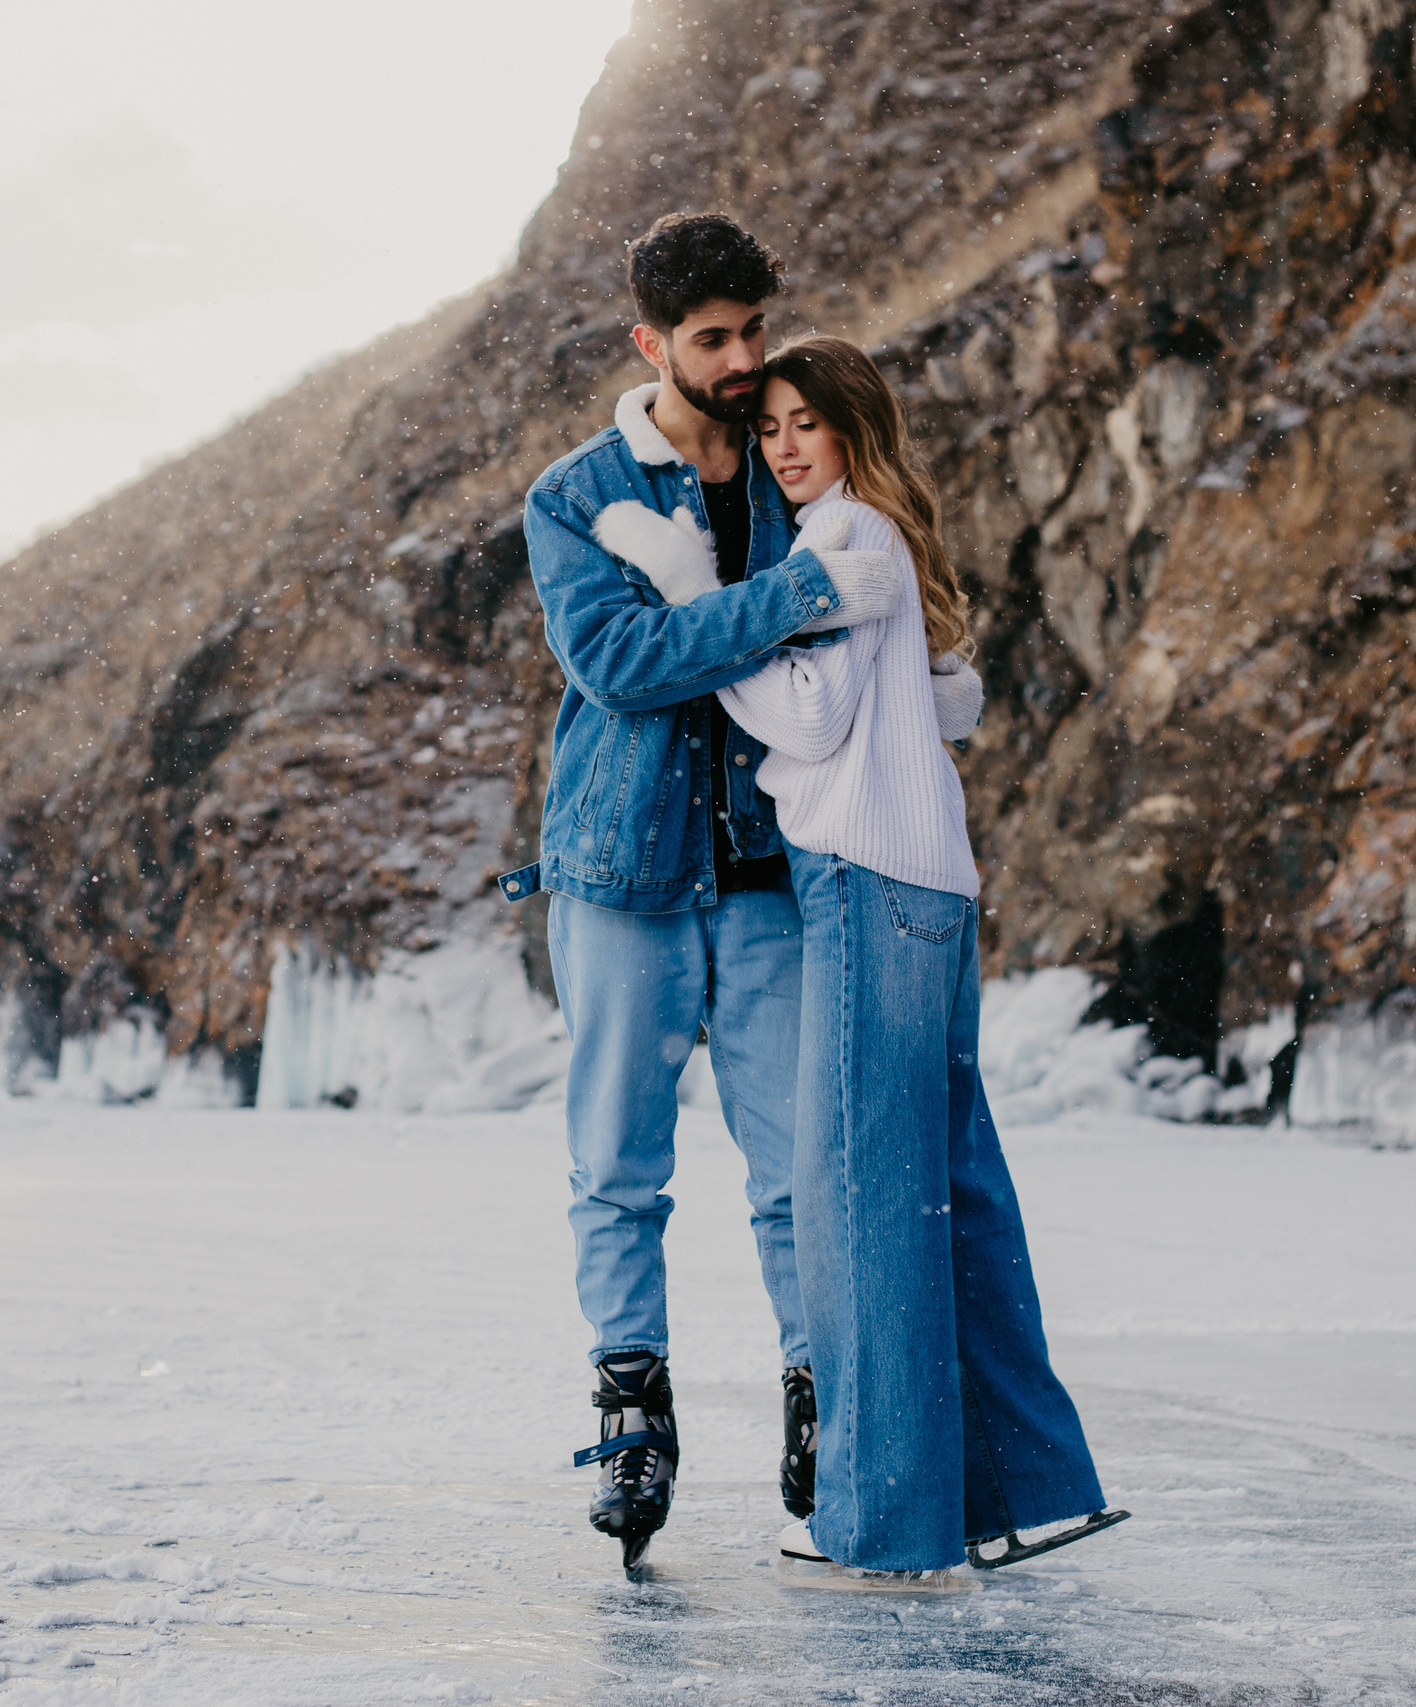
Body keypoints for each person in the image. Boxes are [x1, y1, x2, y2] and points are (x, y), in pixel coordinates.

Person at [631, 335, 1119, 1583]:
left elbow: (807, 716)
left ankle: (876, 1519)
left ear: (853, 429)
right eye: (772, 427)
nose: (786, 445)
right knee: (947, 1189)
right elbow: (943, 702)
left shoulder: (842, 539)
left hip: (863, 878)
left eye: (807, 422)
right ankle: (1021, 1489)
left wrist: (704, 624)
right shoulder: (881, 538)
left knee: (859, 1200)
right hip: (928, 887)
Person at [501, 213, 940, 1576]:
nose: (745, 361)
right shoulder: (576, 496)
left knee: (799, 1168)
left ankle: (824, 1398)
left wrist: (901, 662)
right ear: (652, 344)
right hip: (618, 872)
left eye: (755, 330)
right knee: (617, 1168)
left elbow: (858, 605)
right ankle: (633, 1414)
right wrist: (790, 595)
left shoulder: (790, 467)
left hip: (766, 872)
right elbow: (623, 663)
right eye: (714, 340)